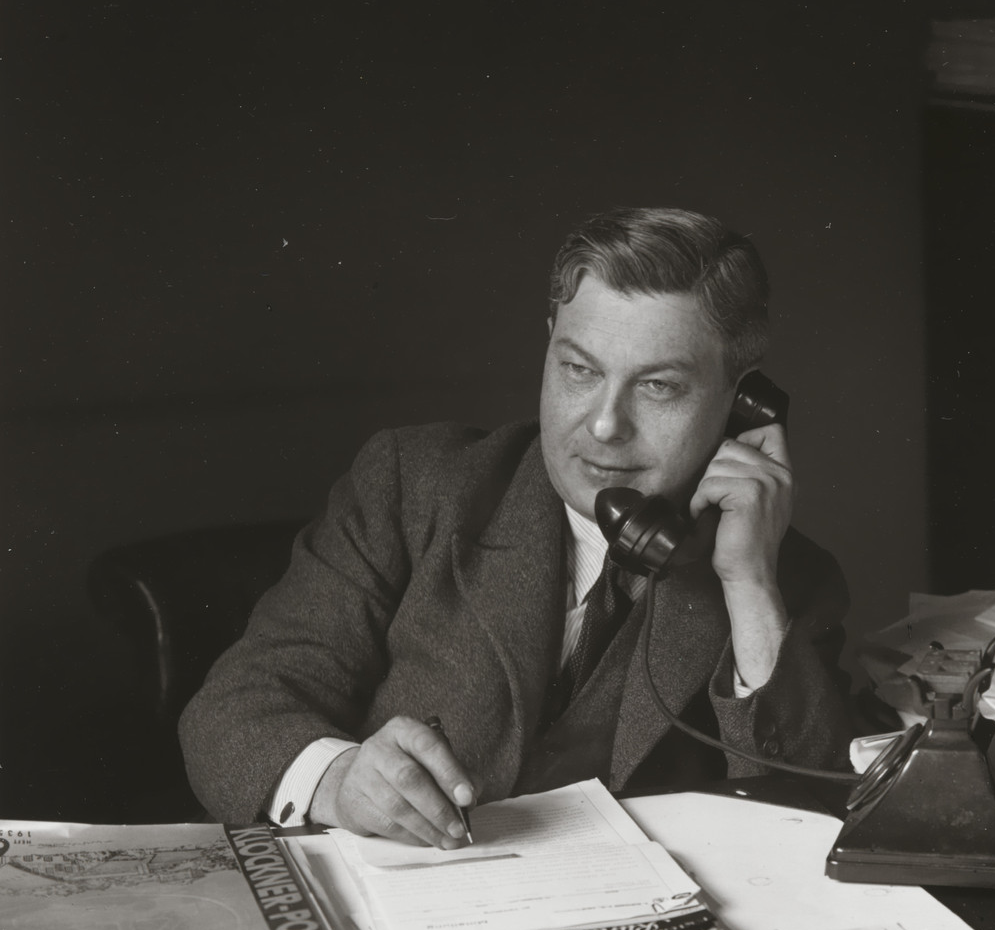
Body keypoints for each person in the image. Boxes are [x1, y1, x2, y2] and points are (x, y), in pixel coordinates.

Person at [179, 207, 852, 844]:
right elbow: (235, 708)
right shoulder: (414, 486)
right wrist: (336, 781)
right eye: (579, 370)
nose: (603, 425)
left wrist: (745, 584)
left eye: (658, 387)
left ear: (744, 404)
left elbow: (806, 824)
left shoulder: (781, 577)